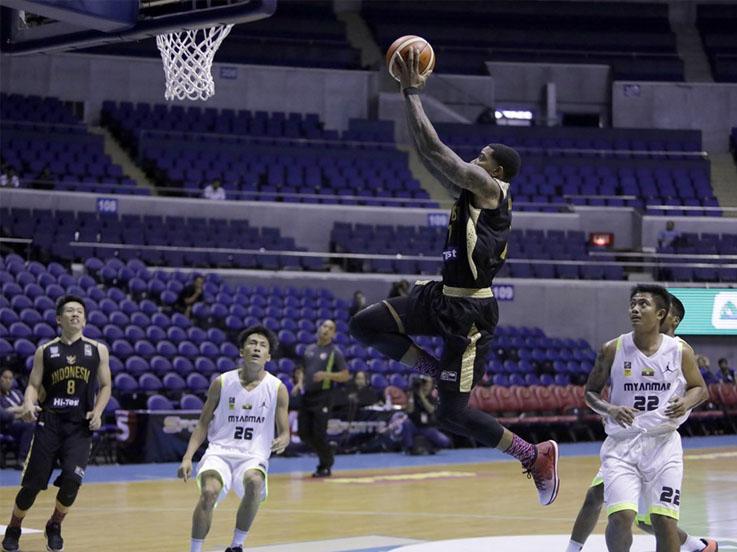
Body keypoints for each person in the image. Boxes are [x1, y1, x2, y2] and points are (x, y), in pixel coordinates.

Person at [349, 47, 559, 506]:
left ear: (497, 170)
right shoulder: (472, 191)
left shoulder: (490, 189)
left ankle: (533, 454)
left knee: (452, 414)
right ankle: (433, 367)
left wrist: (411, 92)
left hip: (470, 315)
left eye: (481, 155)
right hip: (442, 296)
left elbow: (437, 151)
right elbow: (429, 154)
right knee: (364, 324)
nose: (474, 158)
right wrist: (410, 104)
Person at [566, 294, 718, 552]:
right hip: (625, 442)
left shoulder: (681, 351)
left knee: (657, 520)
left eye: (661, 308)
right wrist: (610, 408)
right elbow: (593, 391)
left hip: (660, 443)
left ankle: (696, 545)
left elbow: (700, 390)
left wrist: (686, 401)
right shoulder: (622, 347)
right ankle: (697, 546)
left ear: (670, 317)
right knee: (610, 506)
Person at [2, 295, 112, 552]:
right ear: (59, 319)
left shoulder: (98, 350)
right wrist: (29, 404)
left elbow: (106, 386)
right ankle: (14, 527)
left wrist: (97, 411)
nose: (75, 314)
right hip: (49, 423)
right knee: (31, 487)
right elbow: (33, 385)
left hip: (80, 427)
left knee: (72, 482)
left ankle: (54, 524)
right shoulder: (46, 350)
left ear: (84, 319)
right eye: (70, 311)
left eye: (80, 311)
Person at [177, 325, 290, 552]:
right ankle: (194, 550)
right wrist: (188, 457)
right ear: (242, 351)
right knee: (209, 493)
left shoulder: (277, 388)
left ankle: (237, 545)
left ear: (268, 356)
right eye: (252, 343)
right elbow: (202, 423)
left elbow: (285, 430)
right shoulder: (222, 382)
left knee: (255, 482)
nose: (256, 348)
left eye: (262, 345)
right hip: (219, 452)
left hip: (252, 456)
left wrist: (285, 438)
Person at [298, 319, 349, 477]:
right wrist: (299, 382)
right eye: (324, 326)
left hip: (324, 396)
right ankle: (328, 451)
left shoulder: (335, 352)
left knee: (319, 434)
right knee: (303, 433)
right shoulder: (309, 349)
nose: (326, 329)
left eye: (330, 328)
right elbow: (302, 369)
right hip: (307, 395)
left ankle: (325, 464)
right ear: (320, 328)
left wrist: (327, 375)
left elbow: (345, 375)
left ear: (333, 334)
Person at [402, 375, 451, 454]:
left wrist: (422, 396)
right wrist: (411, 394)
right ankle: (409, 448)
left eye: (428, 383)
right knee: (406, 423)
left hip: (427, 427)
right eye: (424, 383)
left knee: (445, 441)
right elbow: (409, 410)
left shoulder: (432, 397)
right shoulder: (413, 396)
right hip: (414, 425)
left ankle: (433, 447)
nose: (425, 386)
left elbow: (431, 410)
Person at [0, 368, 35, 465]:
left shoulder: (17, 393)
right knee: (30, 426)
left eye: (10, 378)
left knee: (40, 424)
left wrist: (13, 409)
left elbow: (29, 406)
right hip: (6, 426)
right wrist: (21, 410)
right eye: (5, 377)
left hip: (21, 422)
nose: (8, 381)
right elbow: (3, 415)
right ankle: (22, 459)